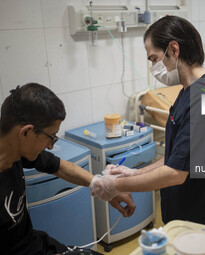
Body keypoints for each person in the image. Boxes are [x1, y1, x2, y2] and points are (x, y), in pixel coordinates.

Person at [90, 16, 205, 231]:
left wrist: (115, 185)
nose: (153, 67)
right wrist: (132, 173)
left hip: (204, 220)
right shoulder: (187, 93)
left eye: (153, 59)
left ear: (174, 49)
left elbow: (175, 173)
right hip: (185, 215)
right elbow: (175, 159)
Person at [0, 83, 135, 255]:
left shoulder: (15, 151)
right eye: (51, 137)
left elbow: (60, 167)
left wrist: (101, 185)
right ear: (26, 132)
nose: (50, 146)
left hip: (35, 244)